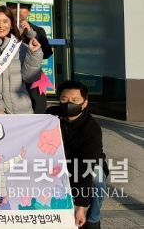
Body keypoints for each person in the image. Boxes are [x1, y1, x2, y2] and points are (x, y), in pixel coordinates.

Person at [47, 81, 106, 229]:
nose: (69, 104)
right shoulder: (50, 117)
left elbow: (87, 164)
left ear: (85, 103)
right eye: (64, 99)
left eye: (75, 100)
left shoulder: (92, 128)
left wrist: (81, 206)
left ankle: (93, 219)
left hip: (86, 164)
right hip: (59, 163)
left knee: (98, 179)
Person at [7, 2, 54, 114]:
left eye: (23, 7)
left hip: (32, 74)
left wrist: (31, 35)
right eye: (13, 7)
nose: (18, 10)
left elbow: (47, 53)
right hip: (9, 75)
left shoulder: (38, 30)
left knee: (38, 106)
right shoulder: (3, 29)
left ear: (29, 11)